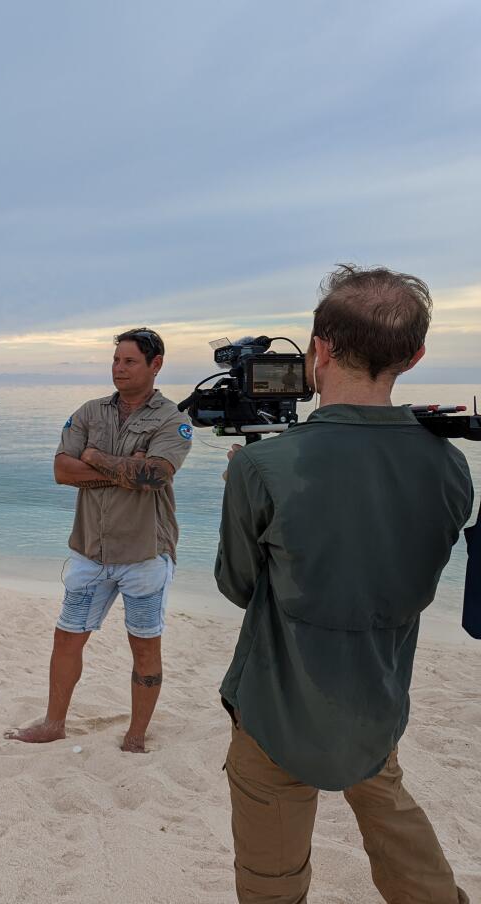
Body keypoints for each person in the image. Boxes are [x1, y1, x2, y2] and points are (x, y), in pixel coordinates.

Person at [217, 265, 474, 902]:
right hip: (376, 701)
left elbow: (239, 585)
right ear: (413, 357)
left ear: (319, 348)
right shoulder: (451, 467)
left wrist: (242, 483)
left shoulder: (263, 465)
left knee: (269, 880)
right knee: (392, 817)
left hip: (276, 709)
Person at [5, 328, 193, 753]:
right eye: (116, 360)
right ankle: (54, 723)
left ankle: (136, 735)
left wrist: (93, 457)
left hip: (145, 553)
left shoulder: (172, 420)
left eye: (129, 361)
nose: (119, 369)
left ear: (155, 364)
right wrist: (125, 469)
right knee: (67, 637)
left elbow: (157, 475)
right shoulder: (90, 412)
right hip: (90, 549)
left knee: (144, 647)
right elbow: (61, 471)